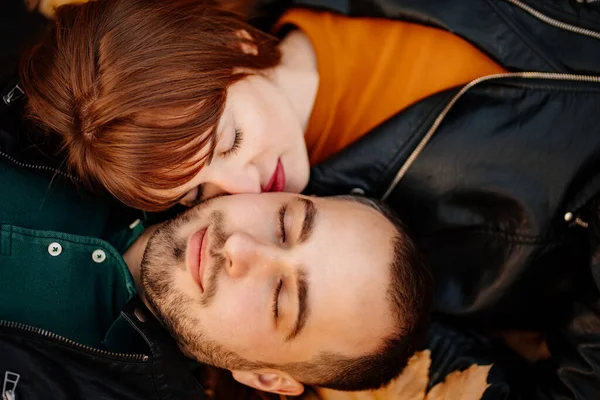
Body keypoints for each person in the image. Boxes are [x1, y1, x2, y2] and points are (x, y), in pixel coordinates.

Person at [6, 0, 600, 398]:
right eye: (196, 192)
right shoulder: (348, 237)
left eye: (229, 140)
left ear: (238, 45)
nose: (238, 195)